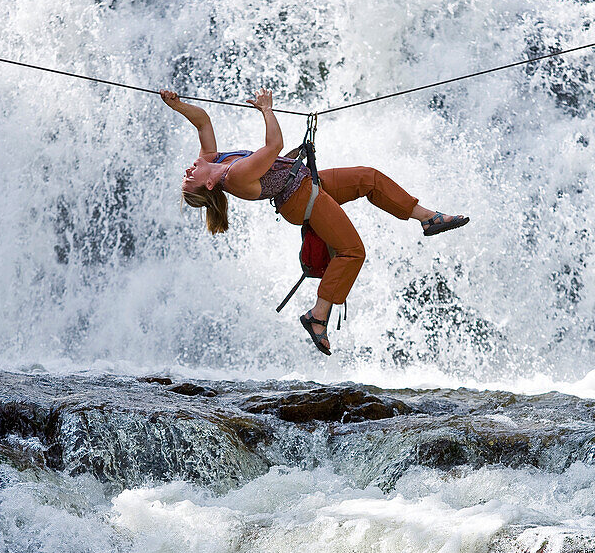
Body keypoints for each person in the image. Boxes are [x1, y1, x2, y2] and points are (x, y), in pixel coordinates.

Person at [161, 86, 469, 356]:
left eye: (185, 176)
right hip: (300, 199)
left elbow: (203, 121)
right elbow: (273, 148)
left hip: (307, 181)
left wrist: (177, 105)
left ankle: (427, 218)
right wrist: (266, 110)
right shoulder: (234, 177)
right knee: (352, 251)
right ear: (209, 186)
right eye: (190, 180)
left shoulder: (211, 160)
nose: (187, 172)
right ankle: (318, 315)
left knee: (369, 178)